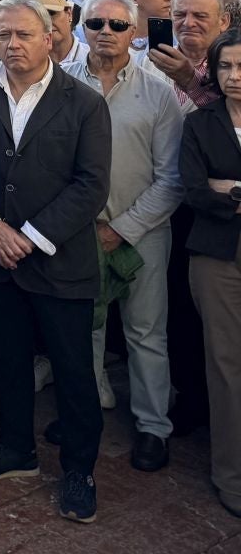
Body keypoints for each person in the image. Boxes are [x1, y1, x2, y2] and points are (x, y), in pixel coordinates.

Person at [0, 0, 111, 524]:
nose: (12, 44)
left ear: (49, 38)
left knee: (73, 371)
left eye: (22, 35)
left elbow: (91, 186)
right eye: (2, 35)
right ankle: (15, 449)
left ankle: (79, 471)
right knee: (10, 363)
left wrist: (32, 235)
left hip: (58, 259)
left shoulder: (84, 102)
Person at [71, 0, 183, 470]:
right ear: (83, 28)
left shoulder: (157, 92)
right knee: (87, 330)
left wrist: (124, 228)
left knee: (145, 333)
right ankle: (87, 418)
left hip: (144, 231)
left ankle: (153, 426)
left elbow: (172, 176)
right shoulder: (63, 84)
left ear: (135, 33)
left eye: (118, 25)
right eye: (96, 24)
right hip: (78, 233)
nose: (106, 33)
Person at [179, 31, 241, 519]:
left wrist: (232, 189)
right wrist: (227, 196)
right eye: (224, 68)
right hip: (217, 256)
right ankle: (232, 476)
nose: (234, 77)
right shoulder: (201, 122)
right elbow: (195, 191)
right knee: (226, 365)